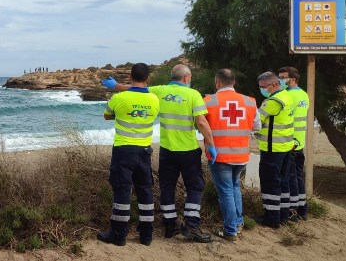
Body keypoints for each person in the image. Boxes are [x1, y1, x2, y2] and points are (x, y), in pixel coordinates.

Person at [102, 64, 215, 243]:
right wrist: (210, 143)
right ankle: (190, 226)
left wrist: (115, 86)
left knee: (166, 188)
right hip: (187, 149)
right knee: (194, 187)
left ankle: (170, 225)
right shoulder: (192, 94)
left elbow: (136, 89)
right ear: (187, 78)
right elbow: (201, 122)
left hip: (166, 150)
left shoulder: (159, 92)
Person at [97, 63, 159, 246]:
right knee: (145, 191)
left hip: (124, 151)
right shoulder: (155, 100)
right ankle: (147, 235)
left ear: (130, 77)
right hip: (145, 151)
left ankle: (118, 235)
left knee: (122, 190)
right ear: (148, 79)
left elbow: (107, 116)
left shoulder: (120, 98)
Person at [203, 69, 260, 241]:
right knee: (235, 187)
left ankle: (230, 231)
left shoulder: (208, 101)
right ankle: (238, 222)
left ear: (217, 82)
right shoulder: (249, 101)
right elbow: (256, 126)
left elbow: (199, 124)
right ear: (234, 82)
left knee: (226, 192)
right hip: (241, 155)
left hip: (219, 156)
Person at [254, 71, 295, 229]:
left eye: (263, 87)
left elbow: (256, 119)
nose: (262, 90)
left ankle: (271, 218)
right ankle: (283, 215)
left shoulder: (273, 101)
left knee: (270, 182)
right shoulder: (287, 96)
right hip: (285, 146)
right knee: (283, 182)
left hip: (272, 148)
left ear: (272, 85)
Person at [278, 66, 310, 220]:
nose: (280, 80)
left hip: (290, 142)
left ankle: (292, 211)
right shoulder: (304, 94)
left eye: (283, 77)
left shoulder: (287, 96)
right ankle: (302, 210)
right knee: (298, 176)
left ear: (293, 79)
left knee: (290, 177)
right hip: (300, 142)